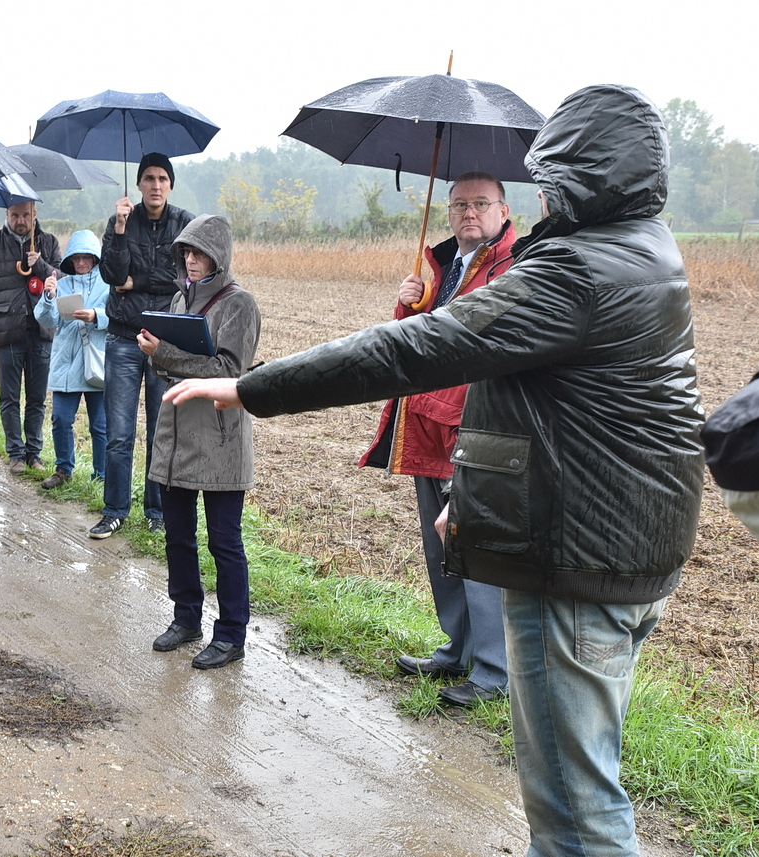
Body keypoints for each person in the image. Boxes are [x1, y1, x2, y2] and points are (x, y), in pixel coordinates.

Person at [165, 85, 704, 856]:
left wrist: (251, 386)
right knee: (582, 783)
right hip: (613, 537)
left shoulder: (577, 273)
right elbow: (550, 407)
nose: (542, 190)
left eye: (551, 174)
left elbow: (416, 351)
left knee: (576, 808)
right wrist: (479, 496)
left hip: (577, 564)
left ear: (581, 178)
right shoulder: (644, 248)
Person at [361, 171, 517, 707]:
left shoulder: (514, 266)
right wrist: (409, 305)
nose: (468, 213)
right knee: (440, 550)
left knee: (472, 548)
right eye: (459, 205)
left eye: (480, 204)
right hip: (424, 422)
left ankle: (494, 671)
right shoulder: (440, 264)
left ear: (503, 209)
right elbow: (417, 341)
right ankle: (457, 650)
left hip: (473, 427)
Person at [141, 214, 260, 670]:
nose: (191, 260)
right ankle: (186, 618)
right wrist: (154, 351)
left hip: (219, 438)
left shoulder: (239, 305)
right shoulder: (176, 298)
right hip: (174, 437)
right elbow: (168, 366)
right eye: (185, 253)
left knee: (224, 542)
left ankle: (231, 636)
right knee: (178, 538)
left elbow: (231, 372)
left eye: (199, 252)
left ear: (219, 256)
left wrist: (164, 353)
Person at [93, 152, 194, 539]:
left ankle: (157, 511)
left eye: (162, 179)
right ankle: (114, 510)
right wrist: (119, 229)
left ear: (170, 185)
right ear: (138, 184)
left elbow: (181, 278)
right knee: (119, 434)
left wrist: (138, 283)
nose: (155, 185)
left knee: (159, 431)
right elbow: (111, 274)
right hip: (122, 337)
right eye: (148, 178)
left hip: (162, 341)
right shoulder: (121, 219)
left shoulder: (184, 223)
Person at [0, 201, 61, 474]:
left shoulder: (48, 242)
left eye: (26, 215)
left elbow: (61, 280)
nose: (20, 220)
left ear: (35, 215)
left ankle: (34, 452)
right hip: (6, 328)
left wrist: (40, 264)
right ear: (6, 215)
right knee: (9, 397)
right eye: (15, 215)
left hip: (41, 330)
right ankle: (15, 453)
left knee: (37, 398)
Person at [33, 229, 110, 489]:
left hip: (96, 361)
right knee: (61, 419)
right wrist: (49, 296)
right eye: (75, 258)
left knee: (100, 425)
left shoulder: (108, 284)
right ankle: (63, 470)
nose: (80, 263)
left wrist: (96, 316)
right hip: (66, 363)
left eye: (86, 257)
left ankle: (102, 475)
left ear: (96, 257)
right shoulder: (62, 284)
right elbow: (46, 320)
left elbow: (120, 316)